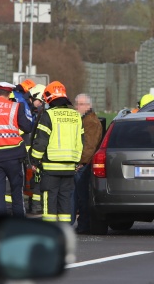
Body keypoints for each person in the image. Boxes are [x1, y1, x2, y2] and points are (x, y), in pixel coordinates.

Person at [29, 81, 83, 223]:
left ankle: (50, 232)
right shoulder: (76, 116)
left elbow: (41, 141)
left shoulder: (48, 115)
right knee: (65, 199)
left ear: (49, 98)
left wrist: (34, 160)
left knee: (50, 199)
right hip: (69, 168)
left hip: (51, 167)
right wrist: (78, 161)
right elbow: (81, 141)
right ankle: (65, 230)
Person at [0, 82, 32, 218]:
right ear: (9, 93)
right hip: (14, 156)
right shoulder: (15, 107)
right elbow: (27, 127)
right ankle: (19, 224)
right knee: (16, 192)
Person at [72, 94, 103, 234]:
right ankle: (82, 225)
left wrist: (80, 162)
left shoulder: (91, 122)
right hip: (82, 165)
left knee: (82, 197)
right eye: (76, 104)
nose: (77, 107)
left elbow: (89, 146)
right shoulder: (84, 120)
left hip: (84, 166)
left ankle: (84, 225)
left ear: (88, 106)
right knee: (79, 197)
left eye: (81, 104)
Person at [27, 84, 46, 214]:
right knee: (37, 183)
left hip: (36, 155)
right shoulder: (38, 113)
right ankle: (37, 207)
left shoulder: (39, 114)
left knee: (37, 183)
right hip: (37, 155)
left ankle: (36, 207)